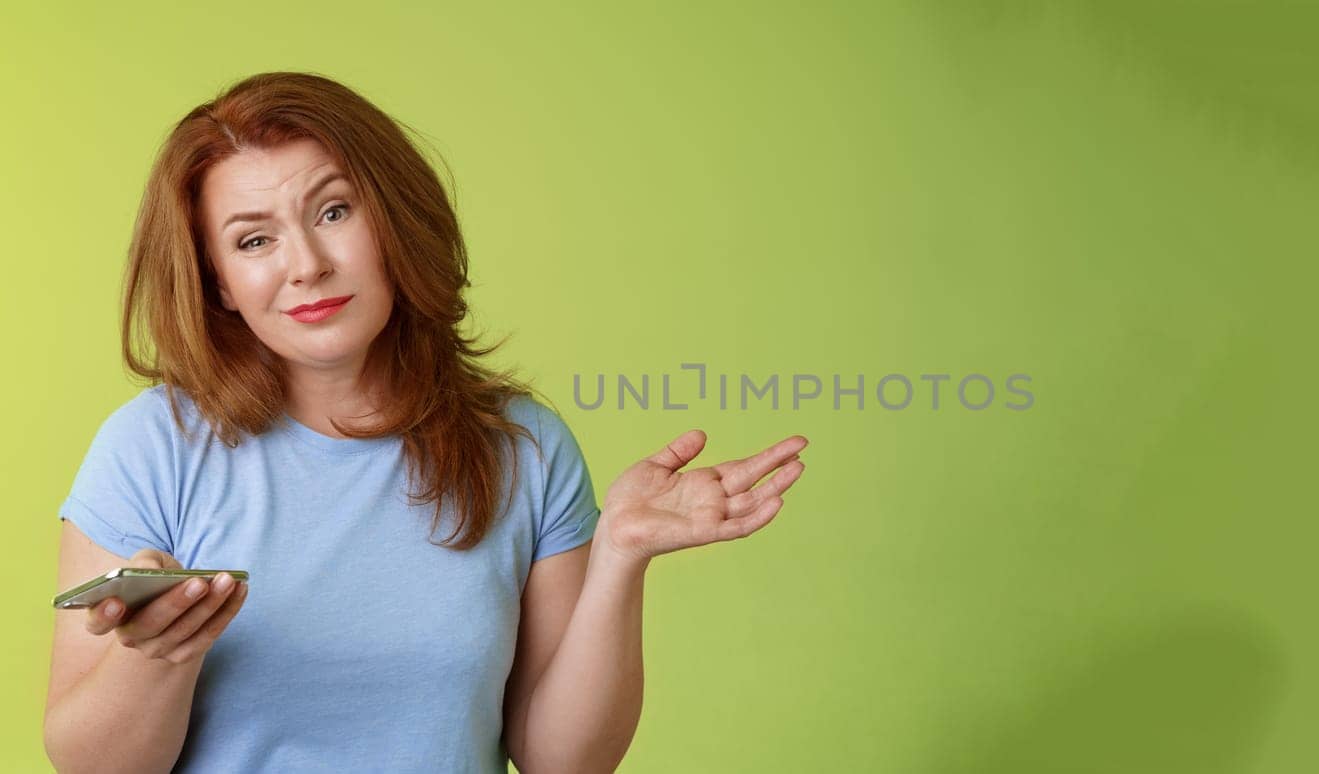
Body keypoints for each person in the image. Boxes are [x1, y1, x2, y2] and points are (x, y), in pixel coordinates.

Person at [42, 71, 808, 774]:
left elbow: (562, 763)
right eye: (254, 240)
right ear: (221, 286)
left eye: (334, 211)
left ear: (396, 222)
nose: (305, 263)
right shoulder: (151, 447)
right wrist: (159, 656)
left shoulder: (526, 449)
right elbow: (89, 766)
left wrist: (619, 556)